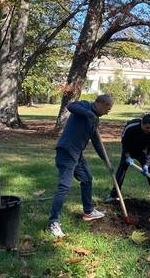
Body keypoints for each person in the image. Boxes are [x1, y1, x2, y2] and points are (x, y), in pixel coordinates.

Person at [48, 94, 114, 238]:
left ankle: (89, 211)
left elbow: (97, 142)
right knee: (64, 186)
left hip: (77, 154)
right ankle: (53, 222)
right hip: (66, 151)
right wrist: (89, 114)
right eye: (108, 108)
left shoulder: (95, 121)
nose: (108, 112)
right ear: (101, 103)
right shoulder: (85, 106)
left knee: (87, 178)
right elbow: (71, 106)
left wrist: (106, 161)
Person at [104, 114, 150, 205]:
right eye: (147, 128)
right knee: (121, 169)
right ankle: (114, 195)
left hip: (144, 151)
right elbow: (124, 142)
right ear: (142, 124)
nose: (149, 130)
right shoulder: (131, 127)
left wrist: (146, 165)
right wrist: (127, 156)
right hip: (129, 149)